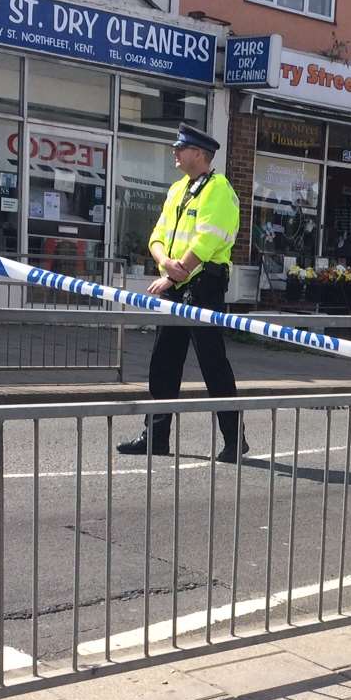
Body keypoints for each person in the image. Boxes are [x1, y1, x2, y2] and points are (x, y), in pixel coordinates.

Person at [117, 123, 247, 461]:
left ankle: (235, 440)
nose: (175, 152)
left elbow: (208, 240)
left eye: (181, 148)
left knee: (213, 364)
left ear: (200, 154)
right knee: (163, 363)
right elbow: (156, 234)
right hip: (175, 283)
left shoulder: (219, 189)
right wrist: (164, 262)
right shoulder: (178, 189)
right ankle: (156, 436)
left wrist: (175, 274)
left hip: (204, 285)